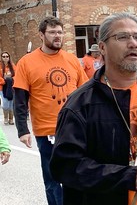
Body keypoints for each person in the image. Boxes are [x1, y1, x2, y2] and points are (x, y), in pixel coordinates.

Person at [49, 12, 137, 205]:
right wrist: (123, 176)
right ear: (102, 47)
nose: (133, 43)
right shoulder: (80, 104)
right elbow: (65, 166)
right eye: (122, 37)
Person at [13, 16, 88, 205]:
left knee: (76, 174)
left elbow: (86, 93)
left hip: (75, 128)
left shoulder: (71, 60)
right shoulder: (26, 62)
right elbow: (20, 98)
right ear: (41, 35)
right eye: (53, 32)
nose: (58, 36)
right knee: (52, 178)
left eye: (60, 32)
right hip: (46, 129)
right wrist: (22, 129)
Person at [0, 51, 16, 125]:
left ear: (9, 57)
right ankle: (6, 117)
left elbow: (17, 75)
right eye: (4, 56)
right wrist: (4, 80)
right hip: (3, 87)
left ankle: (11, 119)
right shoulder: (0, 66)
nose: (5, 58)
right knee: (5, 103)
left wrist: (12, 79)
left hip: (11, 87)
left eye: (7, 56)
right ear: (1, 58)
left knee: (11, 103)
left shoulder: (12, 66)